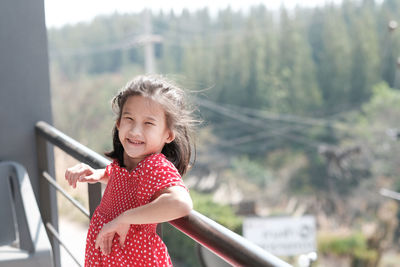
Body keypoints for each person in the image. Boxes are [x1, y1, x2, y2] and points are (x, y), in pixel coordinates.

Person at [65, 75, 197, 266]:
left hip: (135, 260)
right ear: (118, 123)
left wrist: (125, 218)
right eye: (129, 118)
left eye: (148, 123)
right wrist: (98, 174)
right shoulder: (126, 163)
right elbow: (125, 180)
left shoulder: (155, 166)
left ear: (168, 134)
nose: (135, 131)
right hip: (109, 257)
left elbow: (181, 203)